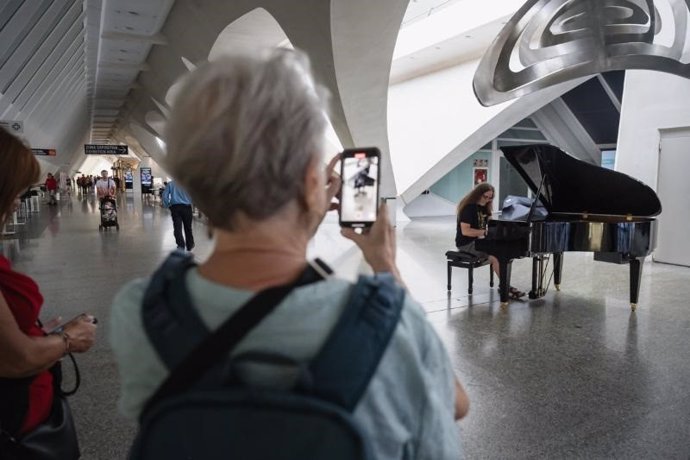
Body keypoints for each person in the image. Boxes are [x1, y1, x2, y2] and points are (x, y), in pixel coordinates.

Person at [110, 48, 468, 458]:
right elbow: (455, 403)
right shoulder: (392, 322)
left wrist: (301, 217)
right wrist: (383, 264)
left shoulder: (142, 309)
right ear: (311, 179)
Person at [0, 126, 97, 444]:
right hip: (14, 430)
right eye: (12, 191)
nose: (16, 203)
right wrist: (68, 339)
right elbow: (17, 358)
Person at [456, 182, 524, 298]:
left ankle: (504, 284)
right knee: (496, 256)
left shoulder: (485, 208)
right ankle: (506, 287)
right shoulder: (468, 208)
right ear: (477, 194)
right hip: (466, 244)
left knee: (506, 252)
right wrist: (484, 232)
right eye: (485, 197)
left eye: (490, 197)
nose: (487, 200)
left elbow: (491, 225)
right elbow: (465, 231)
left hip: (480, 241)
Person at [161, 180, 195, 251]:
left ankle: (181, 245)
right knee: (188, 227)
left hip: (175, 208)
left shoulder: (171, 184)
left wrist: (167, 205)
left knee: (177, 228)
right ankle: (190, 245)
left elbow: (164, 195)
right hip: (187, 207)